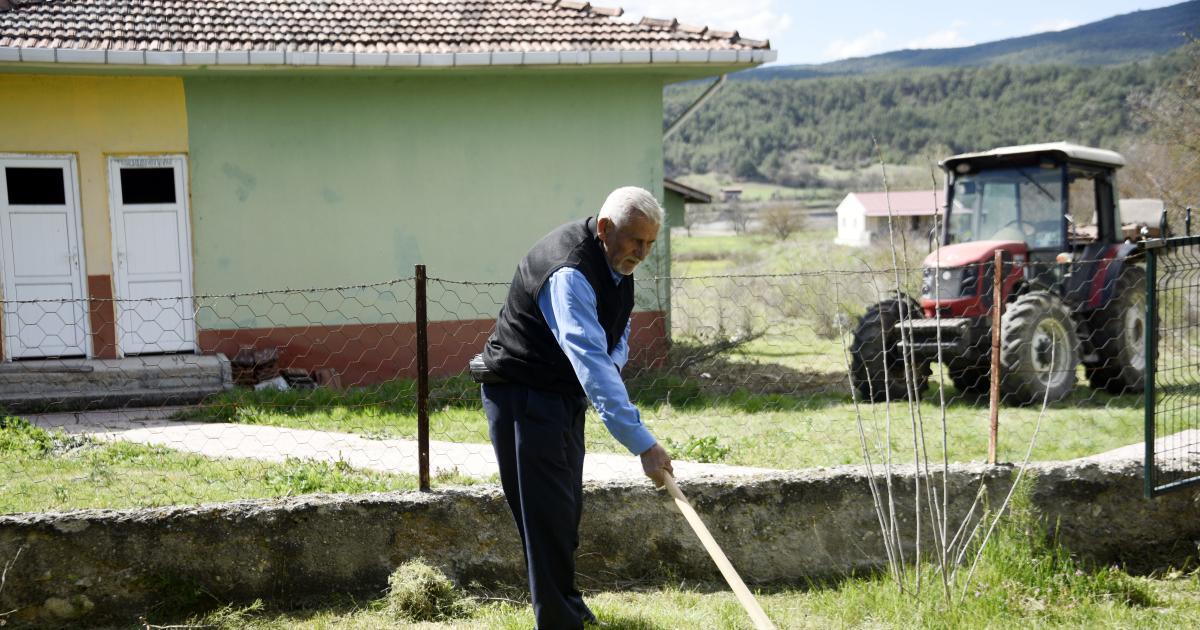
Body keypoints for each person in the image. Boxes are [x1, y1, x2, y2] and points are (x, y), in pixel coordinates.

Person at [479, 186, 674, 629]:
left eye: (649, 243)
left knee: (565, 511)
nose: (642, 252)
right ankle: (558, 621)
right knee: (545, 514)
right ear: (605, 229)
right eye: (635, 241)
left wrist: (609, 365)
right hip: (522, 393)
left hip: (560, 393)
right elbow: (590, 360)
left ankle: (568, 604)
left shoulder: (616, 265)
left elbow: (615, 337)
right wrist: (642, 443)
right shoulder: (568, 271)